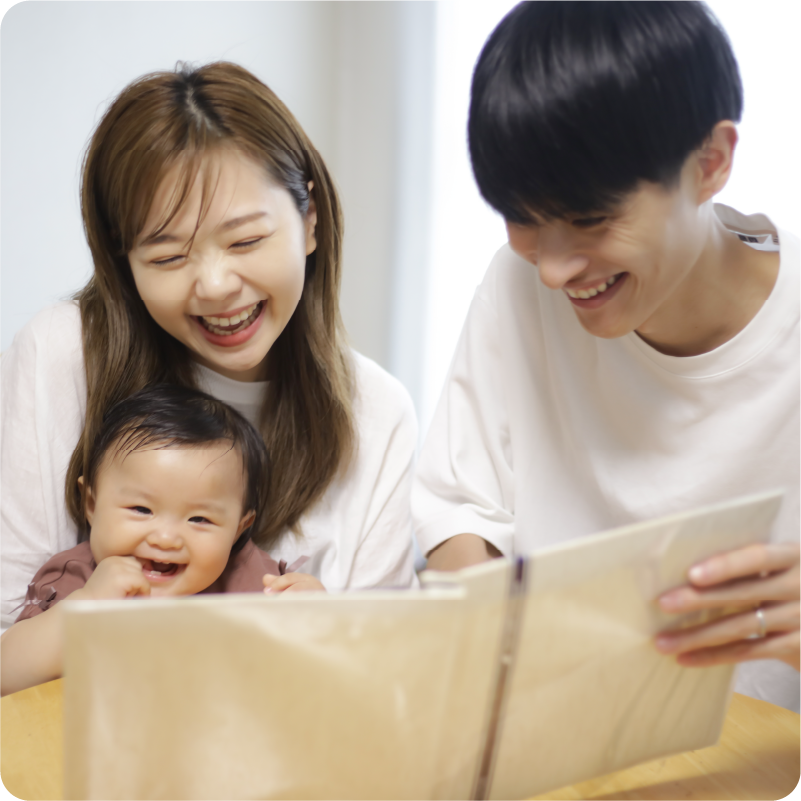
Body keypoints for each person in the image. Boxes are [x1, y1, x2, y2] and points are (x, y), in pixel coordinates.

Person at [413, 0, 801, 713]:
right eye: (522, 218)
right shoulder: (516, 287)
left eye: (590, 219)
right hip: (546, 736)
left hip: (749, 757)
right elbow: (459, 507)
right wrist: (483, 631)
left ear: (710, 163)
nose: (552, 269)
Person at [0, 62, 418, 637]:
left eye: (246, 240)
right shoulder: (64, 355)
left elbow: (385, 654)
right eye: (169, 256)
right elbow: (8, 630)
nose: (216, 286)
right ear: (125, 260)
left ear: (310, 220)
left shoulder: (376, 413)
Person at [0, 384, 325, 695]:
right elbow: (6, 675)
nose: (167, 539)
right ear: (92, 505)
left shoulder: (256, 583)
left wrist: (319, 622)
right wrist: (89, 604)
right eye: (141, 509)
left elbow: (315, 681)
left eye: (199, 519)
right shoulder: (79, 578)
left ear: (239, 529)